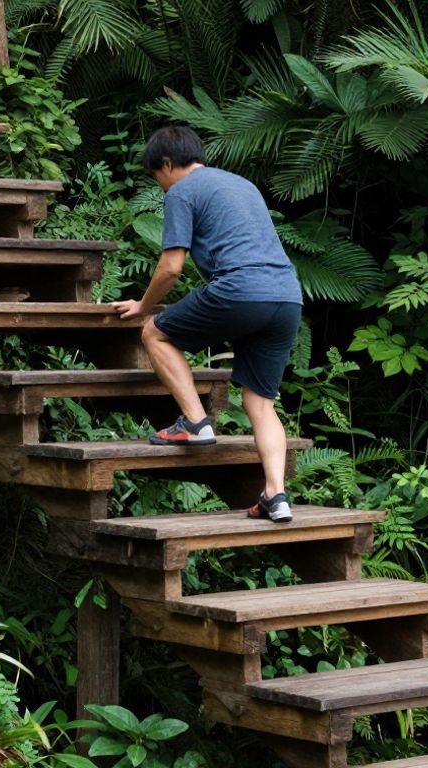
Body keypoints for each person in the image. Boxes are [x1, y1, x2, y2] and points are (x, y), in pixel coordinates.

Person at [110, 126, 303, 523]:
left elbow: (171, 267)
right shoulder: (242, 185)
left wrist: (145, 307)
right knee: (260, 403)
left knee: (156, 332)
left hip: (240, 290)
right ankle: (275, 494)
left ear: (166, 164)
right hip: (287, 296)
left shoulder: (182, 190)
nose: (161, 187)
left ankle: (196, 422)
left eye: (157, 177)